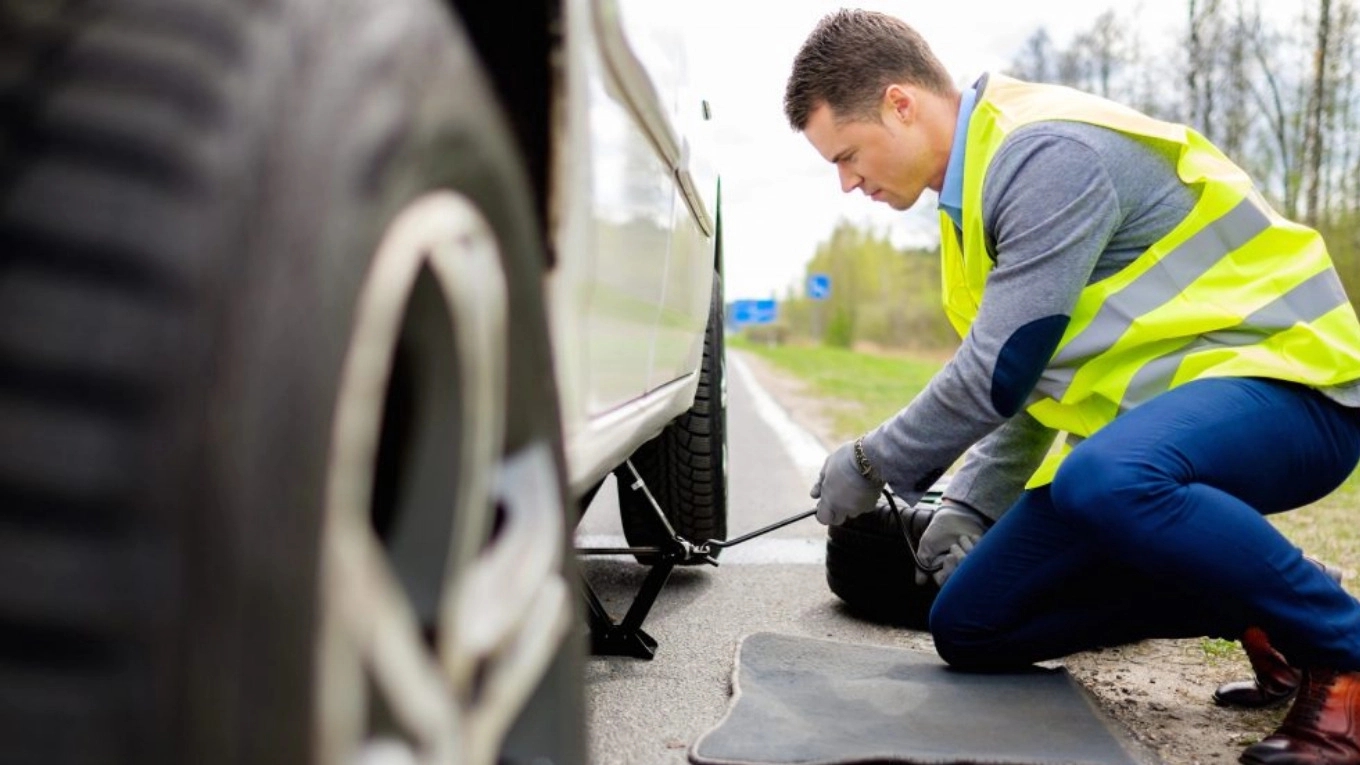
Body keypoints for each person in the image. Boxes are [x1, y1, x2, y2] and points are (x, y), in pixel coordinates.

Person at [788, 9, 1360, 765]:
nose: (847, 182)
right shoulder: (968, 208)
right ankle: (1264, 598)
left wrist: (871, 463)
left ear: (901, 103)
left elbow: (998, 368)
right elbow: (1029, 381)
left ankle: (1343, 644)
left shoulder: (1045, 153)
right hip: (1159, 439)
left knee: (1105, 477)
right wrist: (968, 505)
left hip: (1297, 389)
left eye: (849, 154)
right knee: (970, 624)